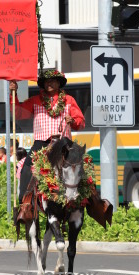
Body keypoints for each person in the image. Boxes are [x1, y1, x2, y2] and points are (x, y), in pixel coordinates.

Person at [9, 69, 85, 203]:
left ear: (58, 83)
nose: (49, 83)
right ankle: (24, 201)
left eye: (52, 81)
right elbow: (18, 114)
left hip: (64, 143)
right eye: (46, 81)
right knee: (26, 168)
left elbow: (81, 122)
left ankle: (84, 199)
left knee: (80, 165)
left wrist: (72, 121)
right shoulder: (35, 100)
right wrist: (13, 94)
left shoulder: (69, 100)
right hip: (41, 143)